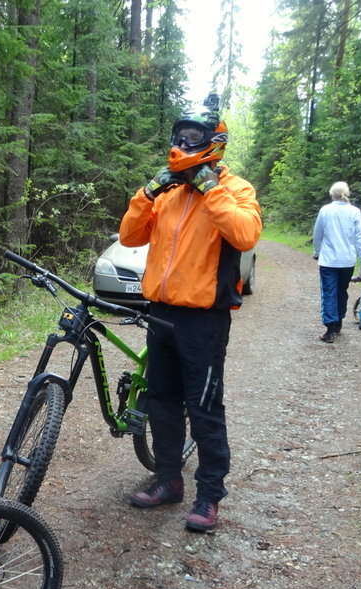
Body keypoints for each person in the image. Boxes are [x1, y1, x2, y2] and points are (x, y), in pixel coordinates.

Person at [118, 96, 262, 534]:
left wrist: (209, 188)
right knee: (161, 401)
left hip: (203, 318)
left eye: (194, 137)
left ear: (214, 142)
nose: (184, 143)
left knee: (203, 407)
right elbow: (128, 236)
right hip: (160, 311)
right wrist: (148, 192)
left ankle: (209, 494)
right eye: (181, 135)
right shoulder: (170, 192)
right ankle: (167, 480)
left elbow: (245, 234)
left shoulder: (235, 189)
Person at [312, 181, 361, 342]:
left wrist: (317, 252)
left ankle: (330, 330)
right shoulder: (354, 211)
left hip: (328, 260)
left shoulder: (325, 210)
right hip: (347, 260)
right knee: (342, 291)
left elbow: (318, 234)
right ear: (346, 193)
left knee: (329, 292)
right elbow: (359, 237)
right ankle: (339, 322)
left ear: (331, 194)